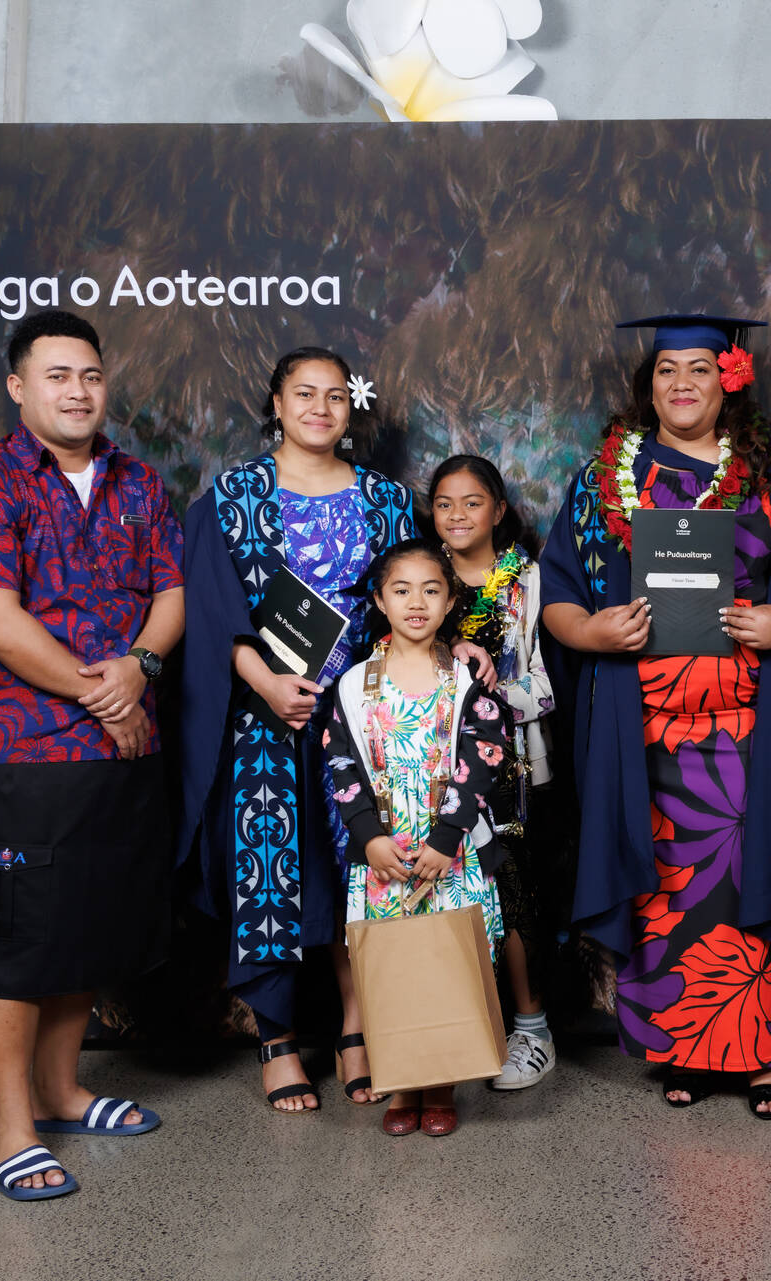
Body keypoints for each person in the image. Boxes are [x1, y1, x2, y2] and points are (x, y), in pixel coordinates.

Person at [541, 313, 771, 1119]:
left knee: (754, 878)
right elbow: (561, 594)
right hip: (644, 733)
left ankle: (764, 1054)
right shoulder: (606, 478)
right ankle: (682, 1047)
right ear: (650, 385)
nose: (681, 383)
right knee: (665, 889)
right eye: (667, 369)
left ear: (729, 380)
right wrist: (593, 631)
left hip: (749, 728)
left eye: (700, 369)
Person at [177, 347, 481, 1113]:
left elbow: (417, 589)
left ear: (352, 409)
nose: (320, 407)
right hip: (267, 712)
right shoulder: (234, 498)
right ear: (275, 403)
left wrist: (458, 645)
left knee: (365, 857)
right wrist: (267, 685)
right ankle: (277, 1038)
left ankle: (359, 1024)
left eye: (336, 396)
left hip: (371, 714)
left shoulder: (385, 499)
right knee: (272, 862)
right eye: (303, 393)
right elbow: (213, 608)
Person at [0, 309, 183, 1199]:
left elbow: (170, 595)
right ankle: (9, 1129)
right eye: (57, 375)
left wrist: (140, 667)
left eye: (90, 375)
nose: (77, 391)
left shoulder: (140, 482)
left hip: (123, 746)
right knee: (16, 937)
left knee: (87, 920)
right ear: (18, 386)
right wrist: (100, 689)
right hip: (24, 747)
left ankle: (63, 1088)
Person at [322, 539, 512, 1136]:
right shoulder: (354, 686)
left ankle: (441, 1083)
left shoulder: (463, 682)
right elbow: (342, 765)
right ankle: (402, 1083)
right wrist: (369, 838)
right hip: (385, 852)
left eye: (432, 591)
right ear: (379, 600)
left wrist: (448, 836)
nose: (416, 603)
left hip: (445, 850)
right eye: (401, 591)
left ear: (451, 600)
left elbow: (482, 757)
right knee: (393, 967)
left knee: (446, 962)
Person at [430, 454, 559, 1090]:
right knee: (443, 897)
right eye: (444, 504)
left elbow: (547, 684)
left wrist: (493, 693)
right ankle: (446, 1034)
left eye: (472, 502)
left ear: (499, 511)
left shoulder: (526, 581)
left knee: (514, 896)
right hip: (426, 769)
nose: (457, 515)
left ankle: (532, 1032)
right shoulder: (421, 577)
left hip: (507, 771)